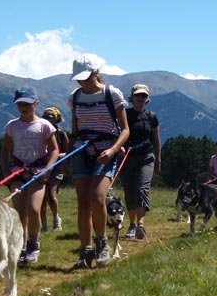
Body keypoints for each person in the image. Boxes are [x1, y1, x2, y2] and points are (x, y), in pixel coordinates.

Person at [68, 58, 130, 268]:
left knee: (98, 197)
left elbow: (125, 129)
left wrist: (113, 150)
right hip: (82, 151)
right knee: (83, 202)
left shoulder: (111, 94)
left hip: (106, 151)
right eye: (79, 79)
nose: (81, 83)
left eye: (85, 78)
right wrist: (69, 150)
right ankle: (85, 252)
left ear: (95, 72)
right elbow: (75, 130)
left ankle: (101, 243)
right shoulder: (75, 97)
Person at [0, 86, 59, 264]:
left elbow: (55, 150)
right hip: (17, 173)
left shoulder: (44, 125)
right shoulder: (12, 126)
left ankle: (34, 244)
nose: (23, 107)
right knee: (19, 213)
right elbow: (5, 150)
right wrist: (6, 174)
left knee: (34, 209)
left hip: (38, 173)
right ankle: (21, 246)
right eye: (20, 104)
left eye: (27, 103)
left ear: (36, 103)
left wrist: (47, 170)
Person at [120, 83, 161, 241]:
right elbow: (118, 133)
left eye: (143, 95)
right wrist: (120, 148)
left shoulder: (151, 117)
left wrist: (158, 161)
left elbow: (156, 140)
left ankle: (140, 225)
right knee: (129, 191)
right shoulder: (125, 114)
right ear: (132, 98)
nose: (141, 98)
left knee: (141, 188)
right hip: (126, 157)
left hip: (146, 157)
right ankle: (131, 224)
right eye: (138, 95)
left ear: (147, 99)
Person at [40, 106, 70, 232]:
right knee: (41, 198)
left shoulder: (60, 133)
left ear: (56, 119)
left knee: (51, 195)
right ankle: (44, 224)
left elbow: (68, 151)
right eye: (45, 117)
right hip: (42, 166)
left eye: (50, 117)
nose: (47, 119)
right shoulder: (40, 131)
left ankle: (56, 218)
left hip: (57, 166)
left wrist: (59, 156)